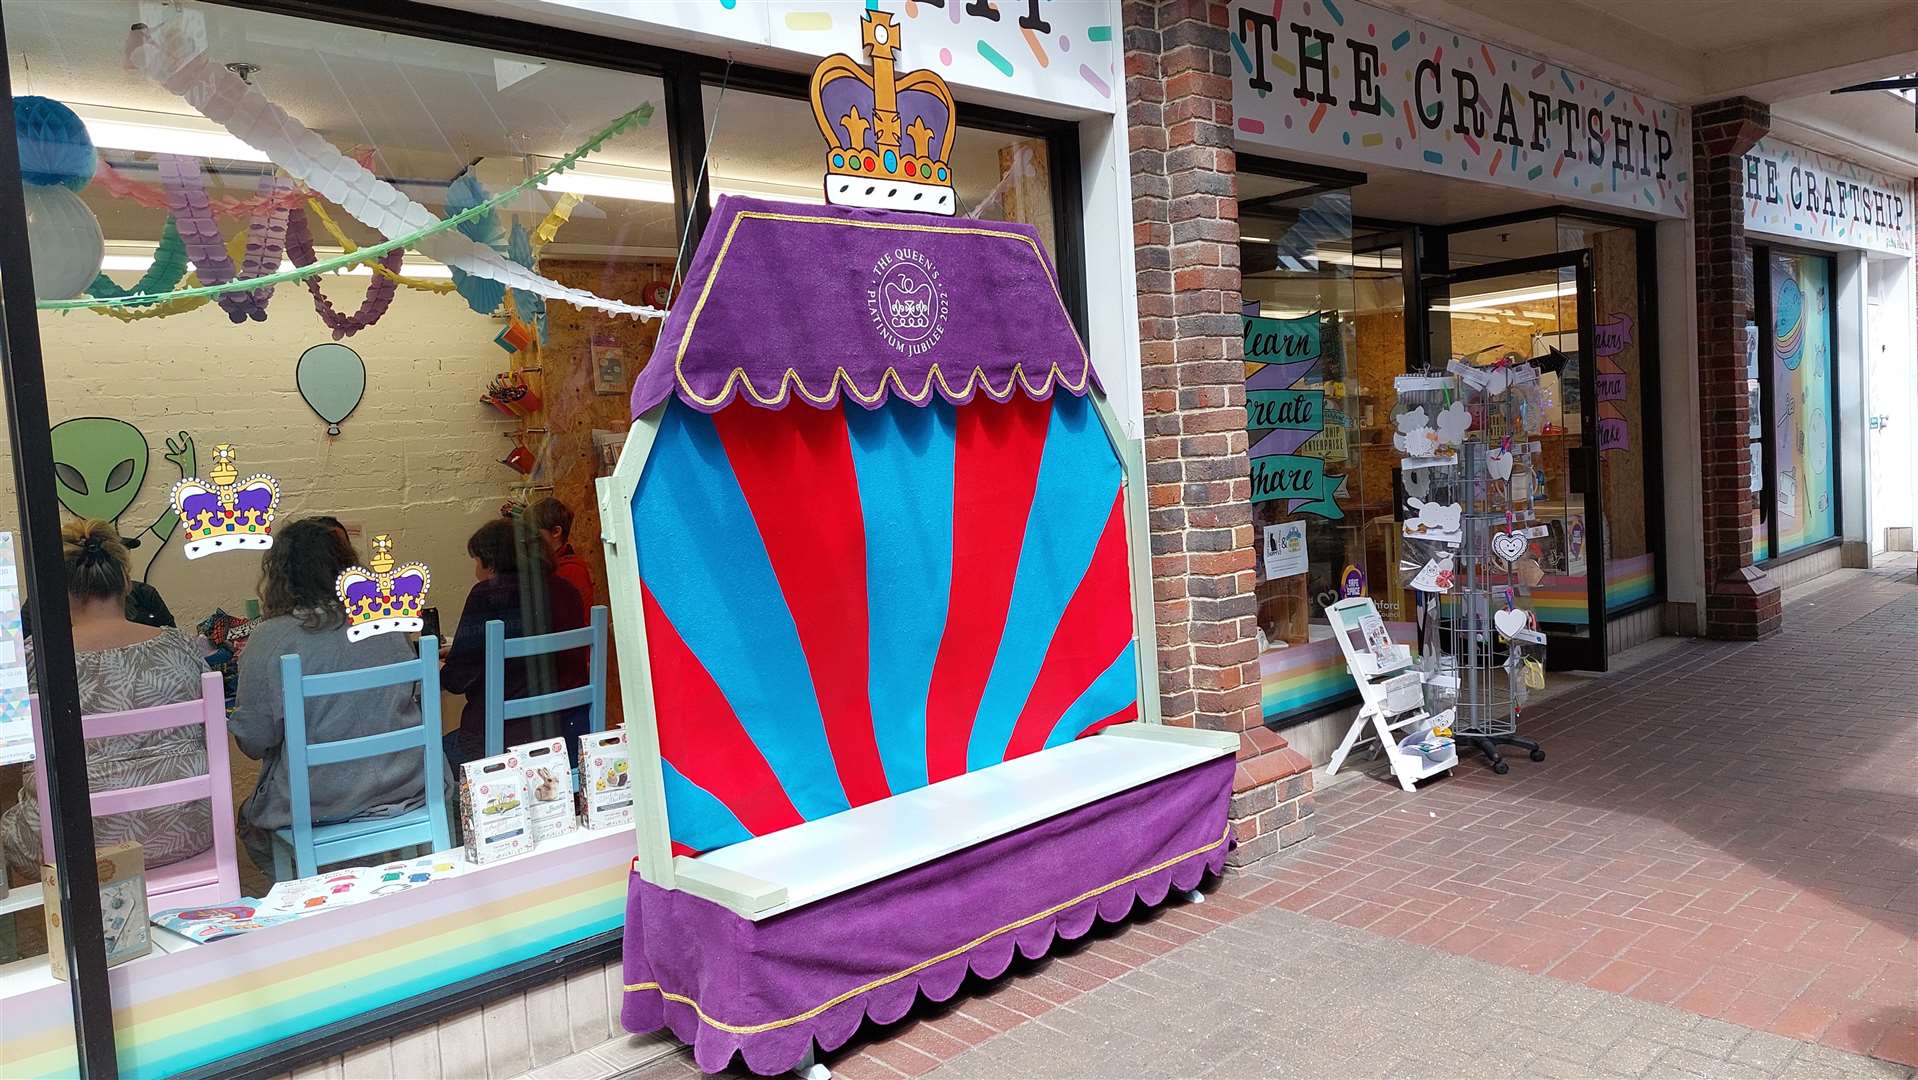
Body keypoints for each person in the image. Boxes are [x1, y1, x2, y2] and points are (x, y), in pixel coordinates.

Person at [230, 518, 450, 882]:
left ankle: (323, 893)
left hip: (320, 801)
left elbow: (253, 741)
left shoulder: (269, 639)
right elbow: (418, 702)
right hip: (409, 784)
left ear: (280, 575)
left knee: (250, 820)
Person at [0, 520, 212, 875]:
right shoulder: (180, 647)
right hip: (187, 826)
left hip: (74, 844)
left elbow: (11, 749)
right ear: (127, 582)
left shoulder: (34, 661)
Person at [441, 518, 587, 768]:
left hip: (504, 741)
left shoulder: (486, 594)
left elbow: (457, 680)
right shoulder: (567, 590)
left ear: (491, 561)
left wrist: (441, 668)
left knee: (430, 760)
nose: (476, 570)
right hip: (568, 732)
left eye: (476, 561)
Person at [527, 497, 595, 606]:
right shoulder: (541, 565)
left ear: (556, 532)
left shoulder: (572, 571)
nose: (527, 539)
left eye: (533, 533)